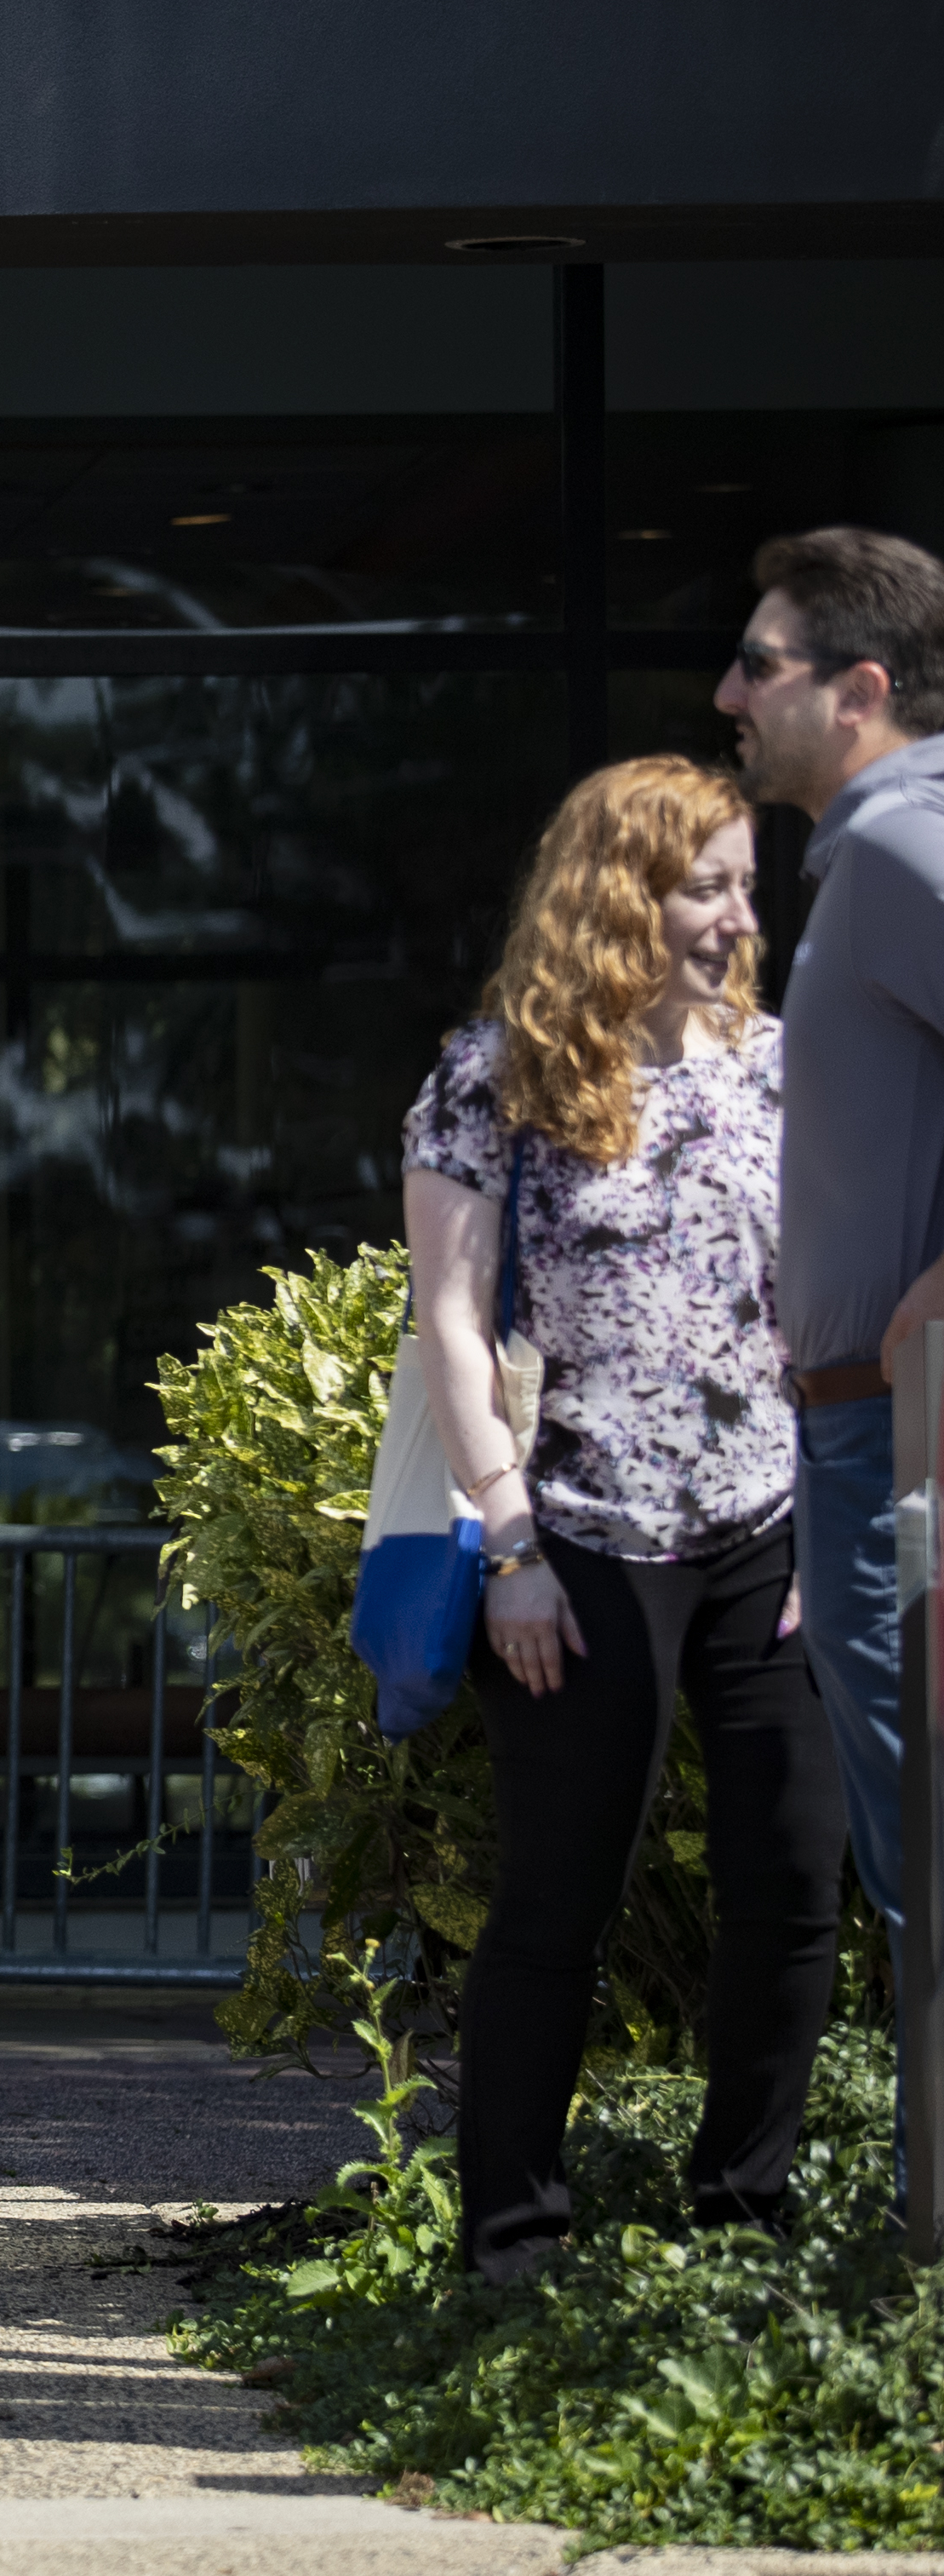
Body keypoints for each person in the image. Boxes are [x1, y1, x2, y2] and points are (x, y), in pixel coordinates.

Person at [402, 755, 844, 2282]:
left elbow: (831, 1315)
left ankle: (746, 2227)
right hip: (580, 1542)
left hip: (770, 1535)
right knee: (555, 1902)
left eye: (745, 882)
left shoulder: (791, 1069)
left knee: (792, 1879)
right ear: (619, 898)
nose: (741, 913)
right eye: (707, 884)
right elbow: (450, 1326)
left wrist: (838, 1535)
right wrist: (510, 1546)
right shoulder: (496, 1077)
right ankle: (512, 2252)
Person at [719, 523, 944, 1999]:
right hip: (865, 1423)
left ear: (858, 688)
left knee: (925, 1854)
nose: (728, 695)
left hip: (898, 1430)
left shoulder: (900, 842)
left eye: (758, 663)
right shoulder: (870, 851)